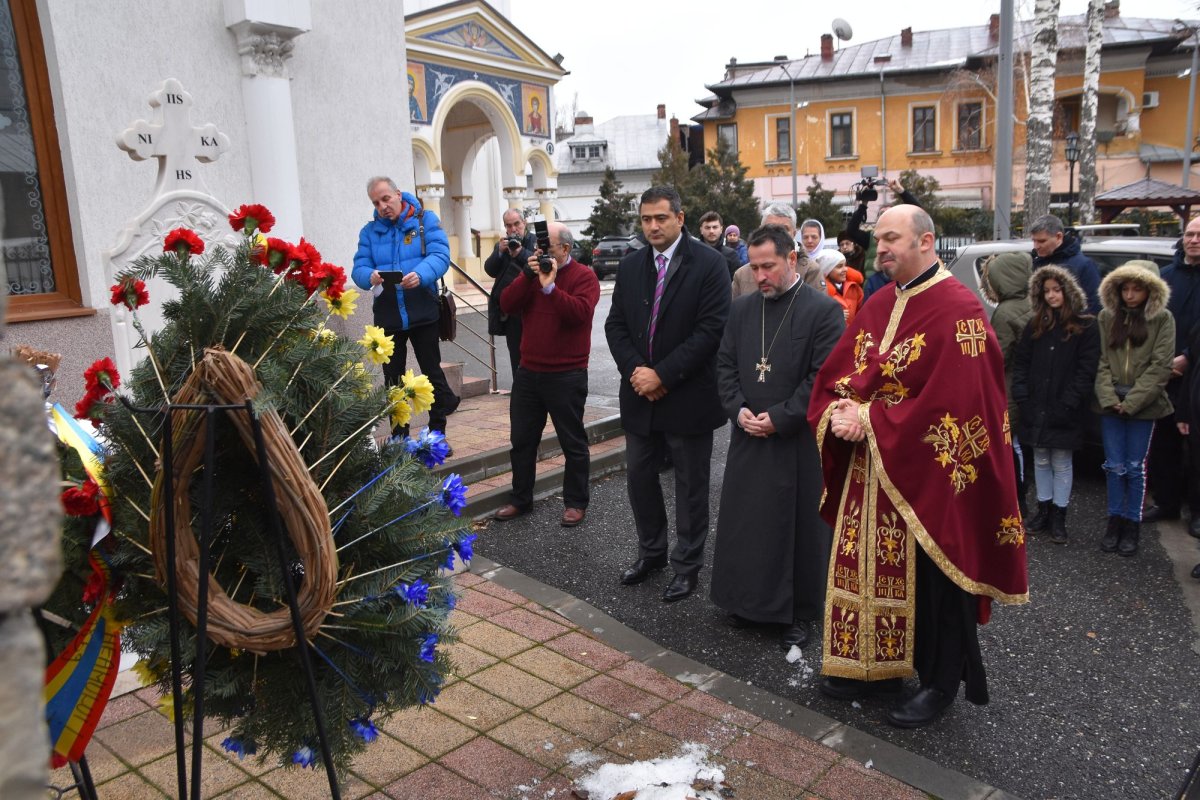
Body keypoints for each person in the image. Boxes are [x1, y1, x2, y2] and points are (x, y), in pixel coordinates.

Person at [808, 205, 1028, 729]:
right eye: (878, 239)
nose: (879, 248)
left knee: (935, 578)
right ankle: (874, 666)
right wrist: (840, 409)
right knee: (868, 564)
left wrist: (872, 418)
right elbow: (843, 370)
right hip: (872, 475)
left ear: (926, 242)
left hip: (932, 473)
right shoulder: (882, 301)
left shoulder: (959, 309)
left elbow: (959, 403)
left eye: (891, 239)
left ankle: (939, 682)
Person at [710, 224, 844, 648]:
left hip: (797, 440)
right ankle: (747, 603)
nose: (761, 275)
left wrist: (781, 417)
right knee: (748, 524)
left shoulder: (822, 311)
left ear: (791, 260)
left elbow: (823, 378)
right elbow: (725, 367)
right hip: (749, 433)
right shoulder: (742, 309)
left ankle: (796, 612)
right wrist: (739, 410)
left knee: (796, 528)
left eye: (768, 266)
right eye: (754, 267)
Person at [605, 186, 731, 602]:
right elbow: (616, 326)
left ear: (680, 217)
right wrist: (637, 372)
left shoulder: (710, 264)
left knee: (691, 485)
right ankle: (651, 553)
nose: (653, 226)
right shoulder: (631, 266)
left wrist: (662, 374)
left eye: (661, 218)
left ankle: (687, 564)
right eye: (646, 219)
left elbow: (710, 331)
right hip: (641, 394)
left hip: (688, 395)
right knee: (640, 477)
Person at [495, 221, 600, 526]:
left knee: (573, 442)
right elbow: (507, 303)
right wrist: (527, 275)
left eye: (547, 247)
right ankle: (520, 499)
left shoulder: (584, 277)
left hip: (566, 374)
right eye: (538, 247)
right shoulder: (531, 273)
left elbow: (578, 315)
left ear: (565, 249)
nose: (540, 252)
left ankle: (575, 502)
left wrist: (551, 288)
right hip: (529, 372)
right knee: (522, 441)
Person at [352, 176, 459, 442]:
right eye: (376, 202)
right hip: (388, 316)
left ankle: (437, 436)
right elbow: (358, 268)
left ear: (398, 194)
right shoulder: (369, 232)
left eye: (386, 198)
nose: (382, 206)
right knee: (393, 382)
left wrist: (420, 274)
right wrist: (370, 276)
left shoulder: (426, 221)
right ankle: (400, 439)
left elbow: (441, 256)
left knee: (431, 374)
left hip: (423, 310)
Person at [1010, 266, 1100, 544]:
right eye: (1046, 290)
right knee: (1040, 458)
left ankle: (1059, 514)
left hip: (1065, 405)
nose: (1052, 295)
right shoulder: (1036, 324)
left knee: (1061, 461)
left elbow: (1087, 369)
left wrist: (1071, 401)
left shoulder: (1086, 326)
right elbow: (1022, 362)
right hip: (1037, 404)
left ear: (1068, 291)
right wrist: (1022, 395)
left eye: (1056, 290)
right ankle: (1043, 509)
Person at [1096, 261, 1174, 557]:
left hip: (1143, 404)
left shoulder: (1162, 319)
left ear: (1149, 291)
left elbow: (1160, 365)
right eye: (1125, 288)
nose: (1130, 295)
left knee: (1135, 467)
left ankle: (1132, 524)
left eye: (1137, 289)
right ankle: (1114, 520)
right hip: (1110, 403)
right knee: (1113, 465)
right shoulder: (1107, 317)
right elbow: (1101, 361)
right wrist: (1107, 397)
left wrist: (1131, 402)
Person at [1146, 216, 1200, 527]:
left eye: (1198, 235)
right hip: (1162, 373)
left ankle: (1196, 511)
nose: (1193, 240)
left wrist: (1189, 358)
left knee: (1195, 450)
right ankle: (1165, 502)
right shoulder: (1165, 277)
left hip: (1195, 375)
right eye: (1189, 234)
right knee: (1163, 444)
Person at [981, 252, 1034, 514]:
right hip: (1032, 385)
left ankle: (1017, 498)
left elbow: (998, 356)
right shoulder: (1033, 302)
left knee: (1011, 444)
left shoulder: (1005, 312)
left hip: (1010, 386)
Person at [484, 209, 537, 373]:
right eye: (509, 225)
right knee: (516, 355)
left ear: (524, 223)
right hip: (511, 311)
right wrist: (499, 251)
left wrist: (520, 252)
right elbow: (490, 270)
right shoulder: (502, 244)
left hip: (531, 309)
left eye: (517, 224)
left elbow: (538, 265)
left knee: (533, 354)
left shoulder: (534, 241)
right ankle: (520, 393)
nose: (513, 229)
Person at [731, 204, 822, 298]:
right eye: (770, 228)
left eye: (784, 229)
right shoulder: (741, 275)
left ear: (794, 233)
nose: (777, 235)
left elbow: (817, 309)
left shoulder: (810, 270)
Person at [859, 180, 923, 301]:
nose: (882, 249)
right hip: (877, 282)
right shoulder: (870, 236)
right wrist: (864, 203)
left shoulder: (906, 232)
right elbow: (851, 230)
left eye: (892, 239)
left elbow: (920, 215)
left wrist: (901, 192)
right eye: (882, 214)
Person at [1029, 214, 1101, 313]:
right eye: (1034, 241)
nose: (1036, 246)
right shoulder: (1037, 263)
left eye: (1041, 241)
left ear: (1059, 237)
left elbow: (1094, 305)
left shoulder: (1084, 265)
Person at [815, 250, 864, 325]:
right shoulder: (819, 293)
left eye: (845, 265)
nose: (846, 269)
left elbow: (862, 314)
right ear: (827, 270)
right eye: (839, 266)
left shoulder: (854, 288)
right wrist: (833, 317)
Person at [697, 210, 743, 278]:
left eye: (715, 227)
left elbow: (736, 283)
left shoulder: (731, 255)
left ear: (721, 229)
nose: (711, 231)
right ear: (701, 230)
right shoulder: (693, 253)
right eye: (707, 228)